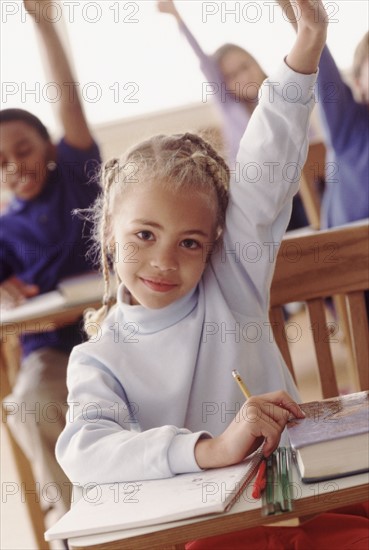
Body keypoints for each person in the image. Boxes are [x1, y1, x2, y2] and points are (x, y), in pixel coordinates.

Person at [56, 1, 368, 548]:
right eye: (144, 235)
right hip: (214, 536)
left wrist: (306, 47)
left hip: (297, 506)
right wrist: (209, 449)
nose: (164, 261)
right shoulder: (98, 358)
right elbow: (85, 452)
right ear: (109, 230)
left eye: (191, 242)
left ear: (216, 245)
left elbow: (265, 165)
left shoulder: (231, 283)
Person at [0, 0, 101, 534]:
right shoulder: (3, 230)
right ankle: (77, 526)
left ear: (48, 145)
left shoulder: (78, 176)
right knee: (29, 406)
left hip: (115, 334)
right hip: (52, 354)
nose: (16, 165)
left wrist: (44, 23)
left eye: (23, 149)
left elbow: (70, 103)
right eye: (2, 162)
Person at [157, 0, 309, 232]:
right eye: (231, 74)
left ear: (257, 64)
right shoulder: (230, 107)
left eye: (245, 66)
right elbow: (204, 63)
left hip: (297, 195)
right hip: (255, 203)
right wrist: (178, 17)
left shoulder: (278, 99)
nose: (243, 75)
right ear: (224, 84)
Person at [276, 0, 369, 229]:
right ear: (359, 85)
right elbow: (318, 51)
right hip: (347, 250)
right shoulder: (348, 121)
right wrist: (294, 9)